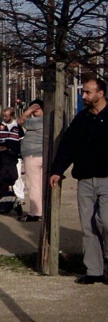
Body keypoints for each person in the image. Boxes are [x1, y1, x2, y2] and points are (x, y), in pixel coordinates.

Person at [49, 77, 108, 285]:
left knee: (106, 222)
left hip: (107, 178)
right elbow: (68, 146)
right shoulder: (82, 119)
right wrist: (57, 170)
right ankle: (94, 270)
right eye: (83, 92)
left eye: (88, 92)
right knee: (88, 225)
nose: (84, 96)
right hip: (84, 178)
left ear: (100, 94)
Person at [17, 99, 44, 222]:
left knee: (33, 185)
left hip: (33, 156)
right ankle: (42, 210)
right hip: (43, 155)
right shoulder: (50, 120)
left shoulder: (37, 121)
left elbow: (20, 121)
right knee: (41, 185)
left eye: (36, 109)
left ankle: (35, 212)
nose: (34, 112)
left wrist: (28, 110)